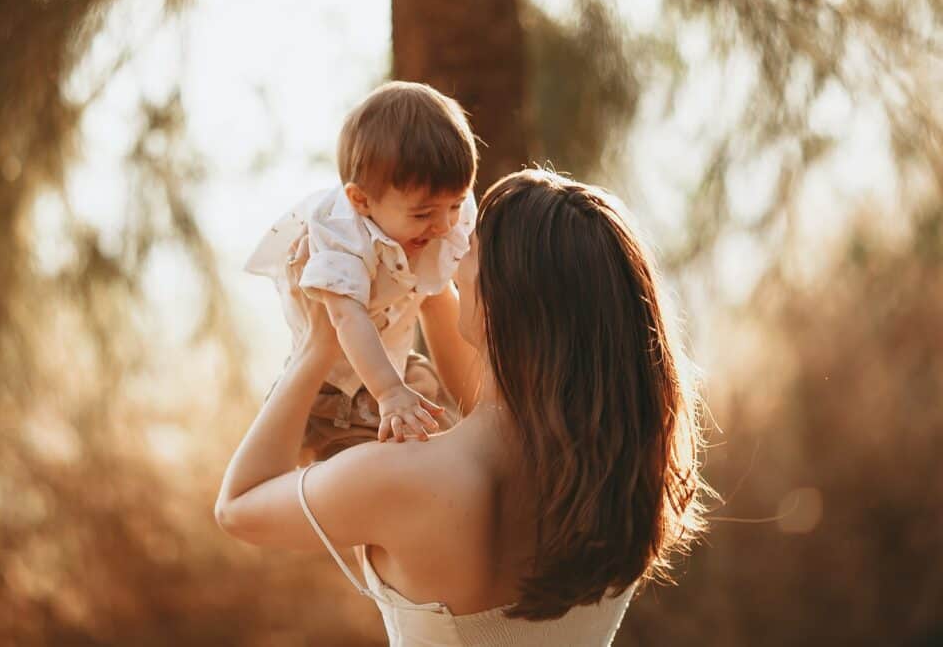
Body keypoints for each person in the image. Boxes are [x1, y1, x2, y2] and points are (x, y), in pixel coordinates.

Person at [216, 169, 710, 646]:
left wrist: (317, 345)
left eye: (472, 246)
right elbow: (487, 405)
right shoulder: (626, 475)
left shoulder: (407, 479)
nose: (455, 253)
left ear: (505, 299)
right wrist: (428, 295)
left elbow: (239, 507)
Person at [244, 81, 479, 457]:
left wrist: (478, 405)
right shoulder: (339, 232)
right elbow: (346, 319)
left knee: (452, 441)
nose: (445, 225)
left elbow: (439, 302)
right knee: (364, 470)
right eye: (423, 214)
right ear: (361, 200)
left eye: (456, 204)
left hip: (393, 367)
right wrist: (388, 392)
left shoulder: (440, 215)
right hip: (333, 394)